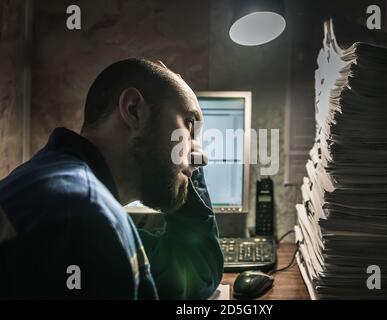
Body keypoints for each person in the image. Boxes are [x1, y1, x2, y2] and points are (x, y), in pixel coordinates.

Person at [0, 58, 224, 299]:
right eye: (189, 126)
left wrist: (187, 166)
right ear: (133, 110)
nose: (202, 158)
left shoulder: (60, 189)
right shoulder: (85, 213)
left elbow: (190, 271)